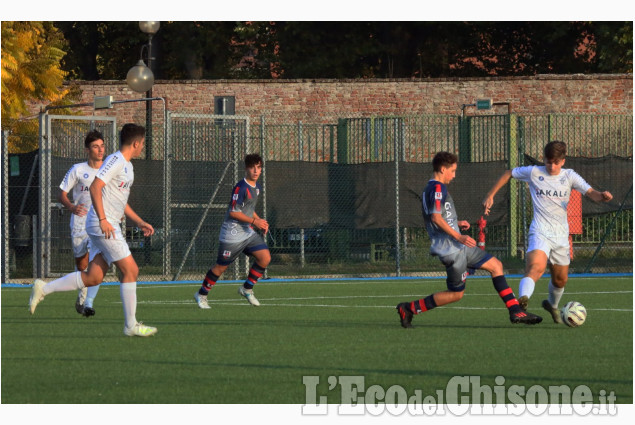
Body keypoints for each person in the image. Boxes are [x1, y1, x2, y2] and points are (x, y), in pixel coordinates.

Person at [30, 123, 157, 337]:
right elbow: (95, 187)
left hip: (107, 224)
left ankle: (43, 288)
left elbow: (120, 201)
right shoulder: (115, 160)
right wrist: (103, 219)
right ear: (136, 143)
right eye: (142, 144)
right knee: (131, 270)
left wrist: (139, 221)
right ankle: (130, 325)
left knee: (93, 277)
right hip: (103, 226)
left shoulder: (128, 166)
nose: (142, 147)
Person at [396, 151, 542, 328]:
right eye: (453, 170)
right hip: (452, 248)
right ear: (443, 169)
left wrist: (456, 223)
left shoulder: (431, 188)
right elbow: (435, 217)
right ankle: (409, 308)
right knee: (456, 294)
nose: (454, 175)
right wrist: (458, 235)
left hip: (457, 245)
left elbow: (435, 216)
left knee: (496, 266)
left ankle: (515, 311)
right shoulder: (436, 188)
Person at [482, 140, 613, 323]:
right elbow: (508, 173)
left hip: (560, 235)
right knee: (535, 268)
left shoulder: (570, 176)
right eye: (548, 161)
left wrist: (602, 196)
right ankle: (522, 301)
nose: (551, 166)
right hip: (540, 231)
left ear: (563, 161)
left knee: (560, 280)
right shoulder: (534, 172)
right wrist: (490, 195)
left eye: (555, 162)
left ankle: (552, 305)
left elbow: (591, 192)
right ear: (544, 159)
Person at [194, 153, 270, 309]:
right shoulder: (240, 188)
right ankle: (201, 294)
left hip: (247, 232)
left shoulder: (257, 188)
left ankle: (246, 289)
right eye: (252, 167)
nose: (255, 171)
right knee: (221, 267)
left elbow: (248, 209)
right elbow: (234, 213)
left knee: (265, 257)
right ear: (246, 169)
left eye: (259, 167)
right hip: (232, 233)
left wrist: (260, 221)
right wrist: (255, 221)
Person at [58, 130, 105, 317]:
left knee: (97, 261)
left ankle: (87, 302)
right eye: (96, 146)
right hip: (79, 222)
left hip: (99, 222)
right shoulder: (78, 169)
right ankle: (81, 295)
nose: (100, 150)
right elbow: (62, 193)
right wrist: (71, 207)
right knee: (81, 264)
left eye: (102, 146)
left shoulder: (108, 169)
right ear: (87, 150)